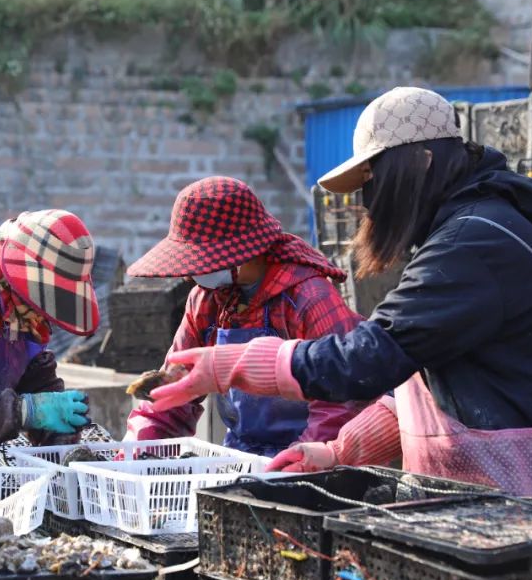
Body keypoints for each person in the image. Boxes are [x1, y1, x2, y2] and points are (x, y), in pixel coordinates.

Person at [148, 87, 532, 500]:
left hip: (520, 503)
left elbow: (368, 358)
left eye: (372, 178)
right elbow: (415, 384)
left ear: (422, 161)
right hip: (489, 493)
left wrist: (235, 364)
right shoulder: (471, 233)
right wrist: (337, 450)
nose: (368, 201)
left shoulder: (473, 244)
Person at [124, 176, 365, 456]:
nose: (193, 274)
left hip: (315, 455)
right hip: (242, 456)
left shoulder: (309, 298)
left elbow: (341, 398)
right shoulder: (207, 301)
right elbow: (173, 391)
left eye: (202, 261)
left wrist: (303, 460)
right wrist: (138, 449)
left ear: (245, 251)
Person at [0, 209, 99, 461]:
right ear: (9, 280)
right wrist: (24, 411)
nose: (43, 319)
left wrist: (61, 435)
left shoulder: (21, 314)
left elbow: (34, 375)